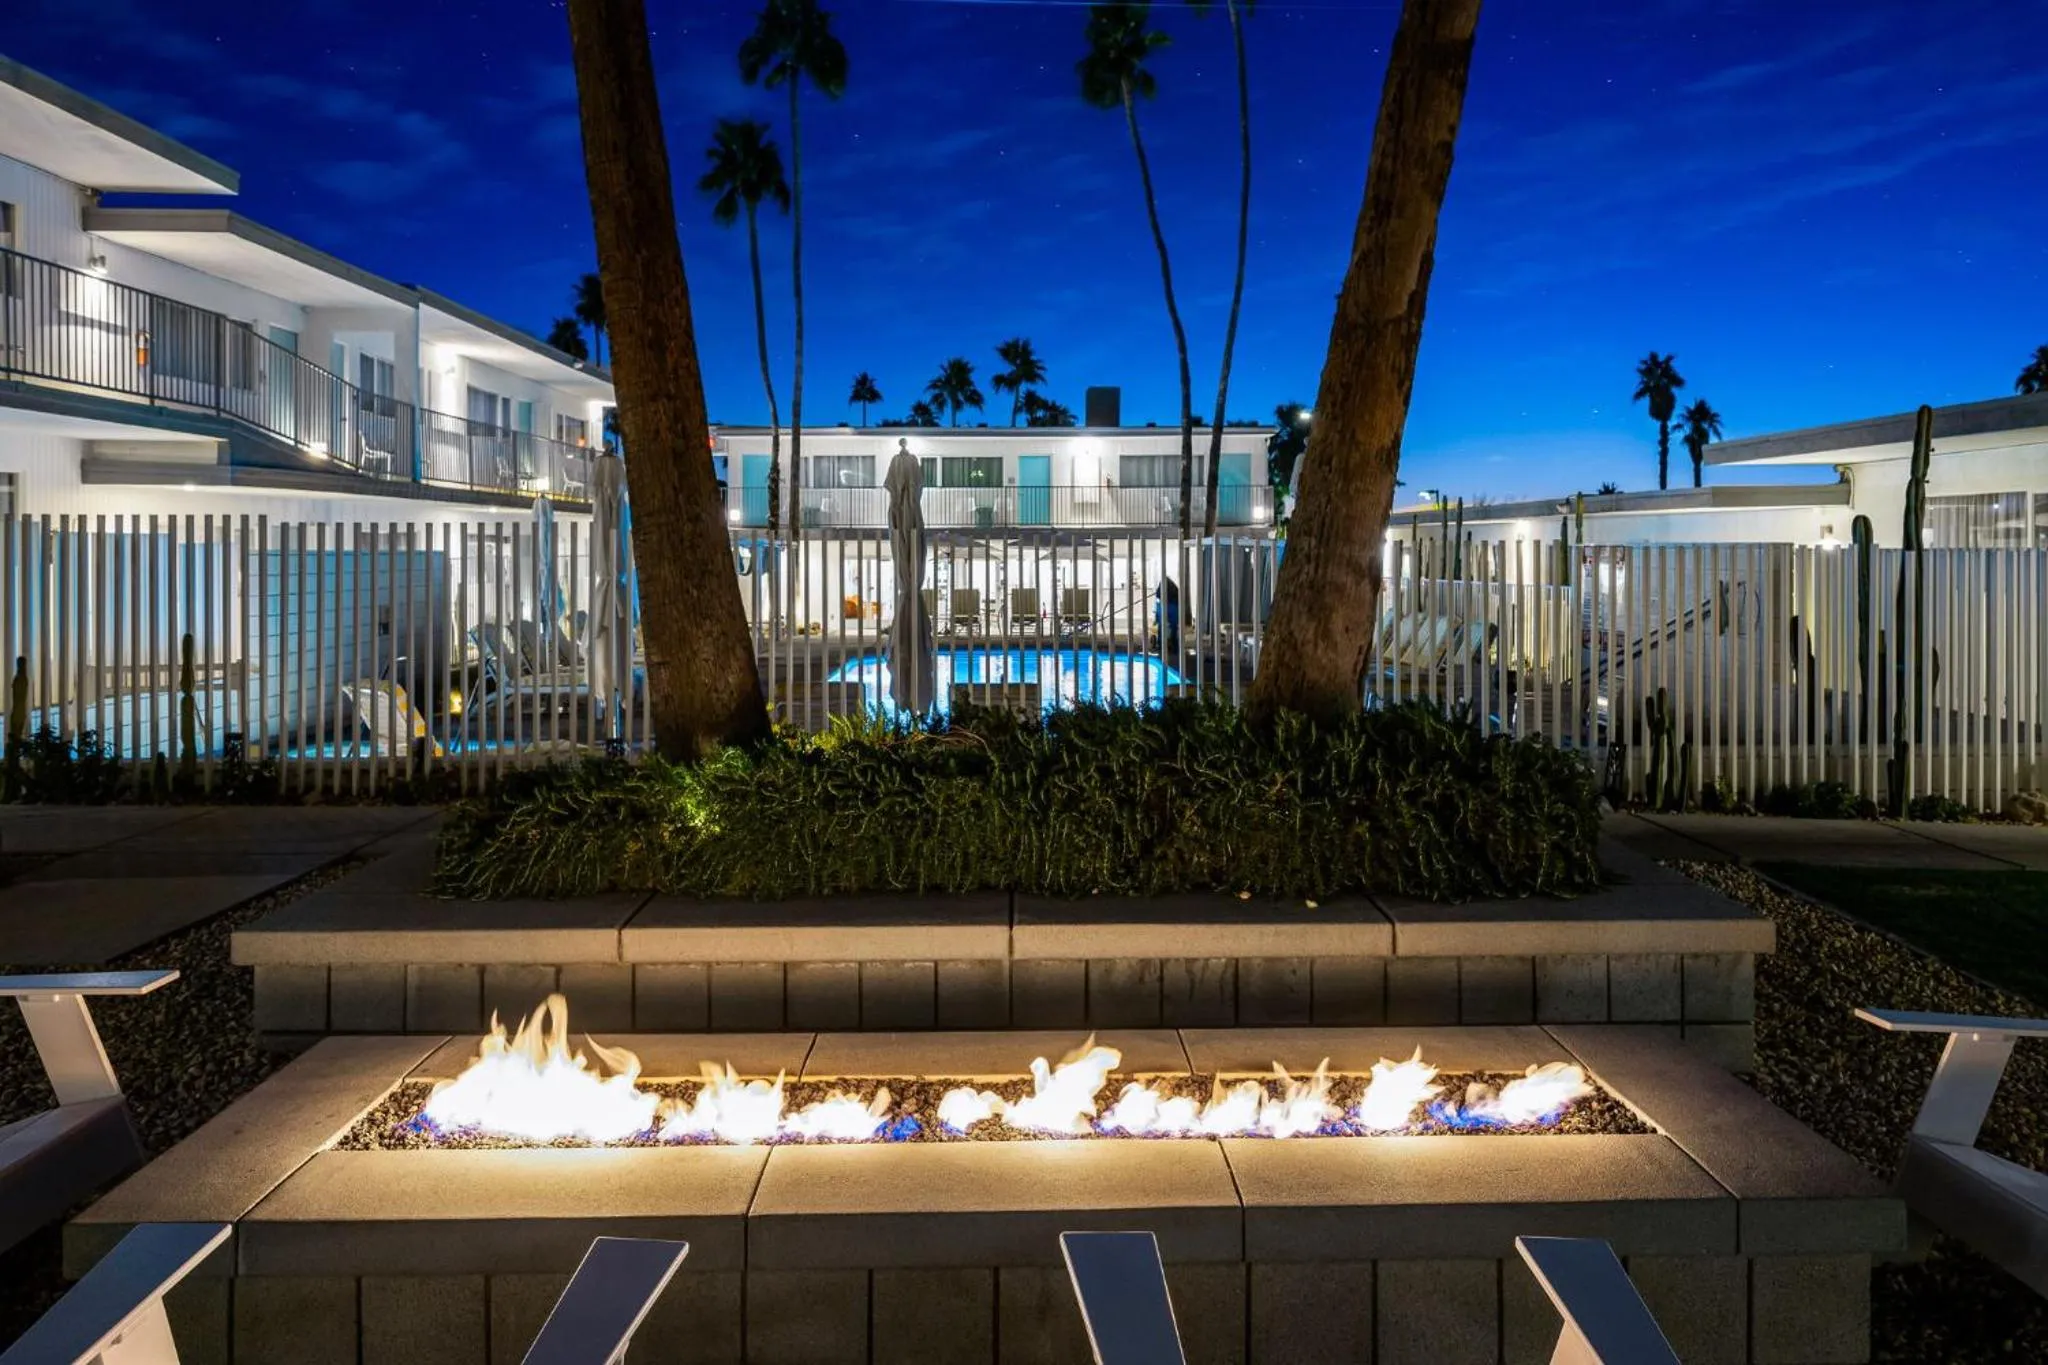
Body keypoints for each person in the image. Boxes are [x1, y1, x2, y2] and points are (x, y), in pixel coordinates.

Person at [1153, 576, 1181, 659]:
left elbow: (1158, 595)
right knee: (1173, 626)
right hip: (1171, 606)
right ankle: (1173, 644)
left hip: (1169, 606)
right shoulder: (1173, 588)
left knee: (1163, 625)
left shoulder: (1168, 587)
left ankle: (1162, 643)